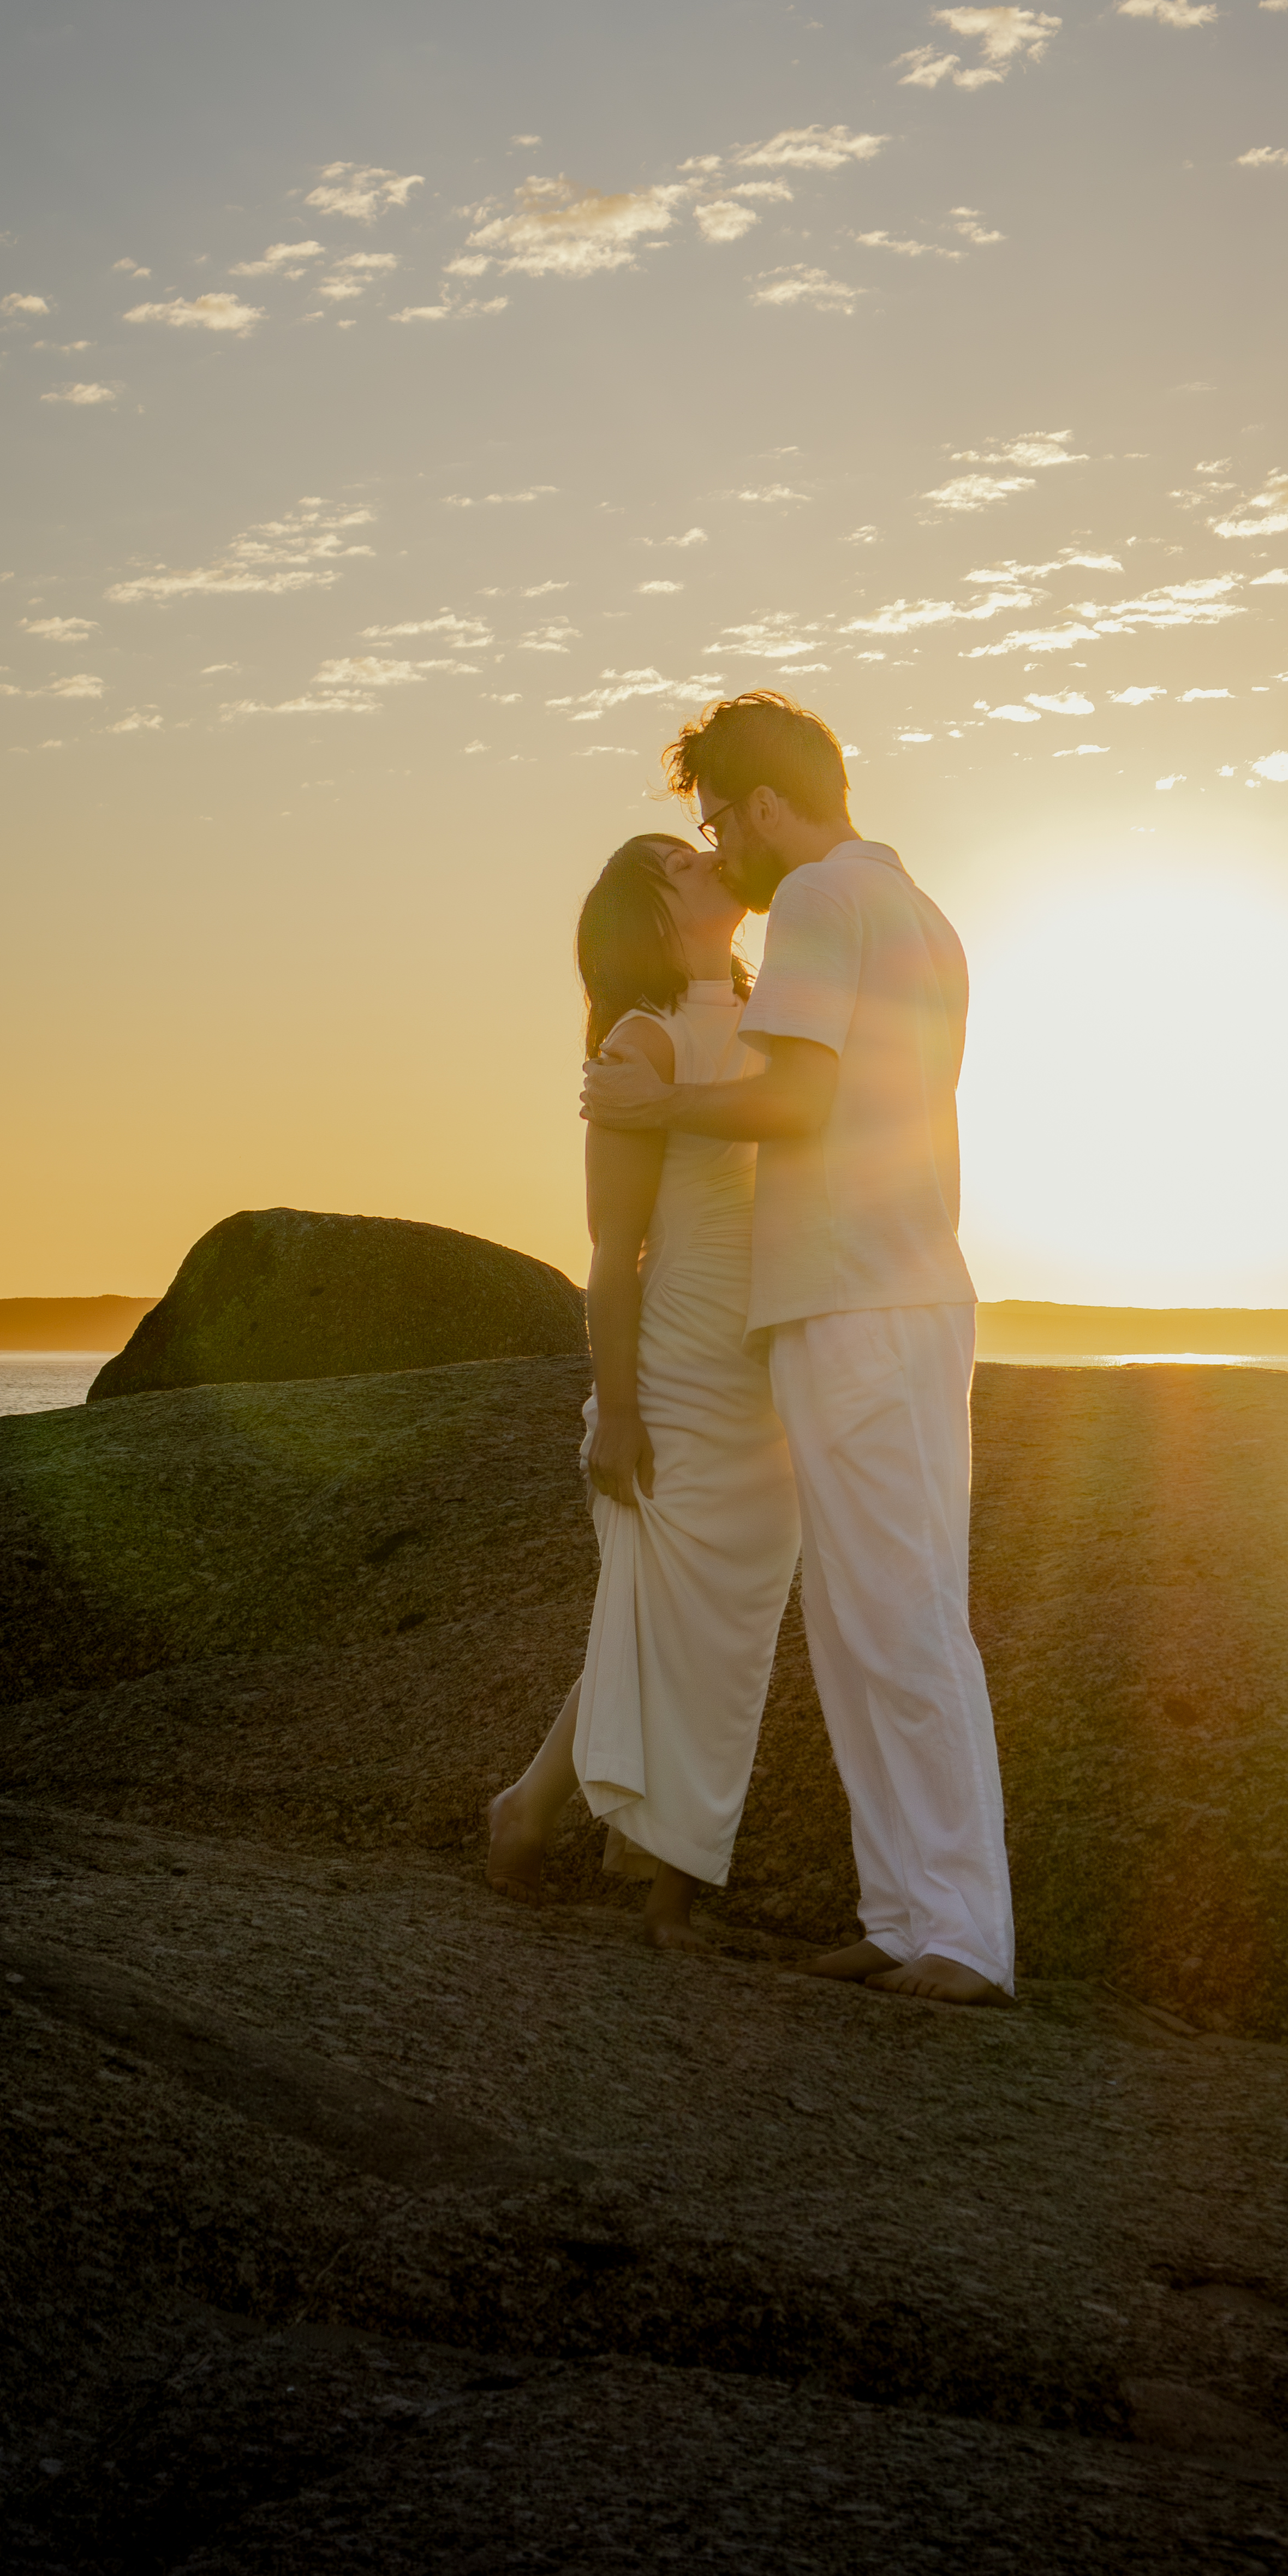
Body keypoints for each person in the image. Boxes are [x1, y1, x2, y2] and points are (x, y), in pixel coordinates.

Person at [582, 690, 1015, 2005]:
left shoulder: (825, 899)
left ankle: (957, 1938)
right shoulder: (916, 908)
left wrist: (666, 1100)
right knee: (865, 1622)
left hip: (856, 1300)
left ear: (765, 804)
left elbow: (801, 1097)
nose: (723, 849)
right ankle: (905, 1917)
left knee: (898, 1620)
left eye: (719, 817)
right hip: (888, 1292)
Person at [487, 832, 801, 1947]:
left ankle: (529, 1813)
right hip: (678, 1366)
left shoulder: (777, 1022)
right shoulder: (644, 1044)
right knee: (674, 1619)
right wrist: (615, 1410)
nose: (708, 859)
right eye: (679, 863)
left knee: (709, 1626)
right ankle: (670, 1902)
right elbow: (611, 1250)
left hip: (768, 1367)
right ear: (652, 919)